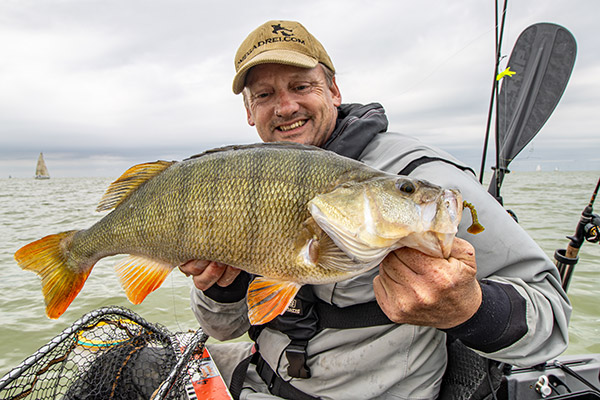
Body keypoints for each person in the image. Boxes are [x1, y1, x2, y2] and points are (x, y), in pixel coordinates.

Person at [179, 20, 571, 400]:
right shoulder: (243, 179)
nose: (284, 107)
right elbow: (222, 328)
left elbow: (550, 318)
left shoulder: (419, 181)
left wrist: (471, 308)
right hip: (261, 385)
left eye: (301, 86)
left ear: (333, 91)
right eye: (263, 95)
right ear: (250, 112)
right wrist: (223, 287)